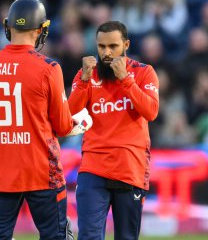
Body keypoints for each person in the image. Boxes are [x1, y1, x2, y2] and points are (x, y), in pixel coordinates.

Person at [0, 0, 82, 240]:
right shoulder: (49, 68)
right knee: (56, 235)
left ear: (8, 26)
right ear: (40, 30)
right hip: (41, 170)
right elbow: (63, 126)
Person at [68, 21, 159, 239]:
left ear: (126, 44)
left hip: (130, 169)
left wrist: (126, 81)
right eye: (101, 47)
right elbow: (69, 115)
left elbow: (151, 111)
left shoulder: (144, 73)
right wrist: (83, 82)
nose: (106, 53)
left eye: (113, 46)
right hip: (93, 168)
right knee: (89, 236)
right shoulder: (87, 75)